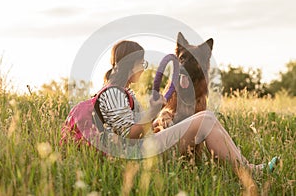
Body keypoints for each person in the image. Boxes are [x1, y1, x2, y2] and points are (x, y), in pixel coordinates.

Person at [96, 40, 278, 172]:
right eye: (141, 63)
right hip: (138, 155)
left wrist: (157, 122)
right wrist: (154, 112)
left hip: (145, 146)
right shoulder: (113, 93)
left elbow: (137, 130)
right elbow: (129, 136)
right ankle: (248, 170)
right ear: (130, 64)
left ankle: (243, 167)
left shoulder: (125, 92)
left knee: (207, 118)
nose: (144, 68)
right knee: (206, 119)